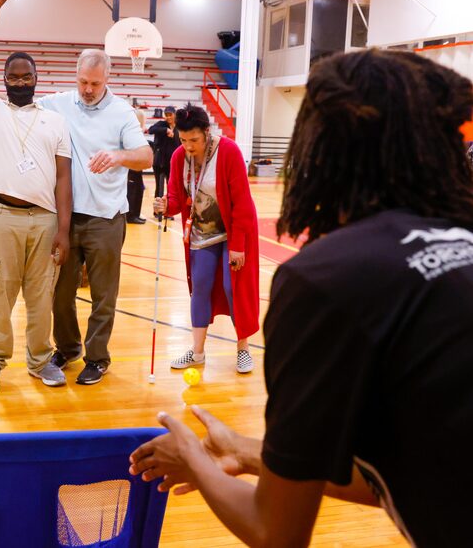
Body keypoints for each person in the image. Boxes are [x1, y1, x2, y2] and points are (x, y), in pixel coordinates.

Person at [130, 49, 473, 547]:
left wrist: (196, 461)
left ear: (319, 149)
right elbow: (414, 467)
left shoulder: (327, 280)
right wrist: (251, 452)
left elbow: (276, 533)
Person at [0, 0, 72, 394]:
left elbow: (64, 178)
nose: (20, 81)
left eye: (27, 75)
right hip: (2, 215)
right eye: (13, 76)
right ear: (4, 80)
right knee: (0, 296)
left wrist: (63, 229)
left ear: (36, 79)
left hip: (45, 221)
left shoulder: (54, 121)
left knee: (41, 298)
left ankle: (41, 360)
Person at [42, 49, 153, 385]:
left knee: (103, 294)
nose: (87, 89)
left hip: (106, 218)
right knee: (60, 293)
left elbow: (146, 155)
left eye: (94, 83)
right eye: (82, 82)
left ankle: (98, 357)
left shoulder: (122, 113)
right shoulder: (58, 103)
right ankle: (68, 347)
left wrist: (119, 155)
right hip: (66, 219)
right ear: (75, 76)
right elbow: (19, 105)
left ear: (107, 79)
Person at [153, 104, 259, 374]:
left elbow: (243, 204)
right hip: (202, 231)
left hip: (232, 231)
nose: (188, 146)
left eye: (194, 140)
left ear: (207, 134)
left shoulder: (229, 152)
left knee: (231, 286)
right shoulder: (179, 157)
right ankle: (197, 352)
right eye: (183, 140)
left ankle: (243, 349)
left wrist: (237, 247)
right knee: (199, 287)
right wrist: (166, 206)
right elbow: (177, 199)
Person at [148, 105, 179, 199]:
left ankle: (168, 211)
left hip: (172, 163)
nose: (168, 117)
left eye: (170, 115)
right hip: (160, 163)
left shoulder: (179, 127)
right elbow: (151, 130)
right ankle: (158, 212)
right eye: (166, 115)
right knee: (159, 188)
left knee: (171, 188)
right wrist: (165, 130)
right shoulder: (161, 124)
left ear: (175, 115)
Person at [126, 97, 147, 224]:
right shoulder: (133, 132)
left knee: (138, 190)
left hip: (137, 165)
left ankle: (135, 214)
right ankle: (131, 215)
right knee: (133, 190)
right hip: (132, 166)